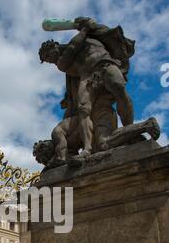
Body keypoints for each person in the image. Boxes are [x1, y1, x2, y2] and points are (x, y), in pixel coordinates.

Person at [39, 17, 134, 156]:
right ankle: (87, 148)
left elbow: (100, 29)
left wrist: (86, 23)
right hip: (87, 78)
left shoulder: (90, 37)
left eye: (48, 55)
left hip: (105, 64)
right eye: (46, 60)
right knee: (83, 110)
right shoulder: (62, 63)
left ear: (55, 46)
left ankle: (130, 130)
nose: (49, 60)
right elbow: (72, 48)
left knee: (120, 89)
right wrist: (84, 28)